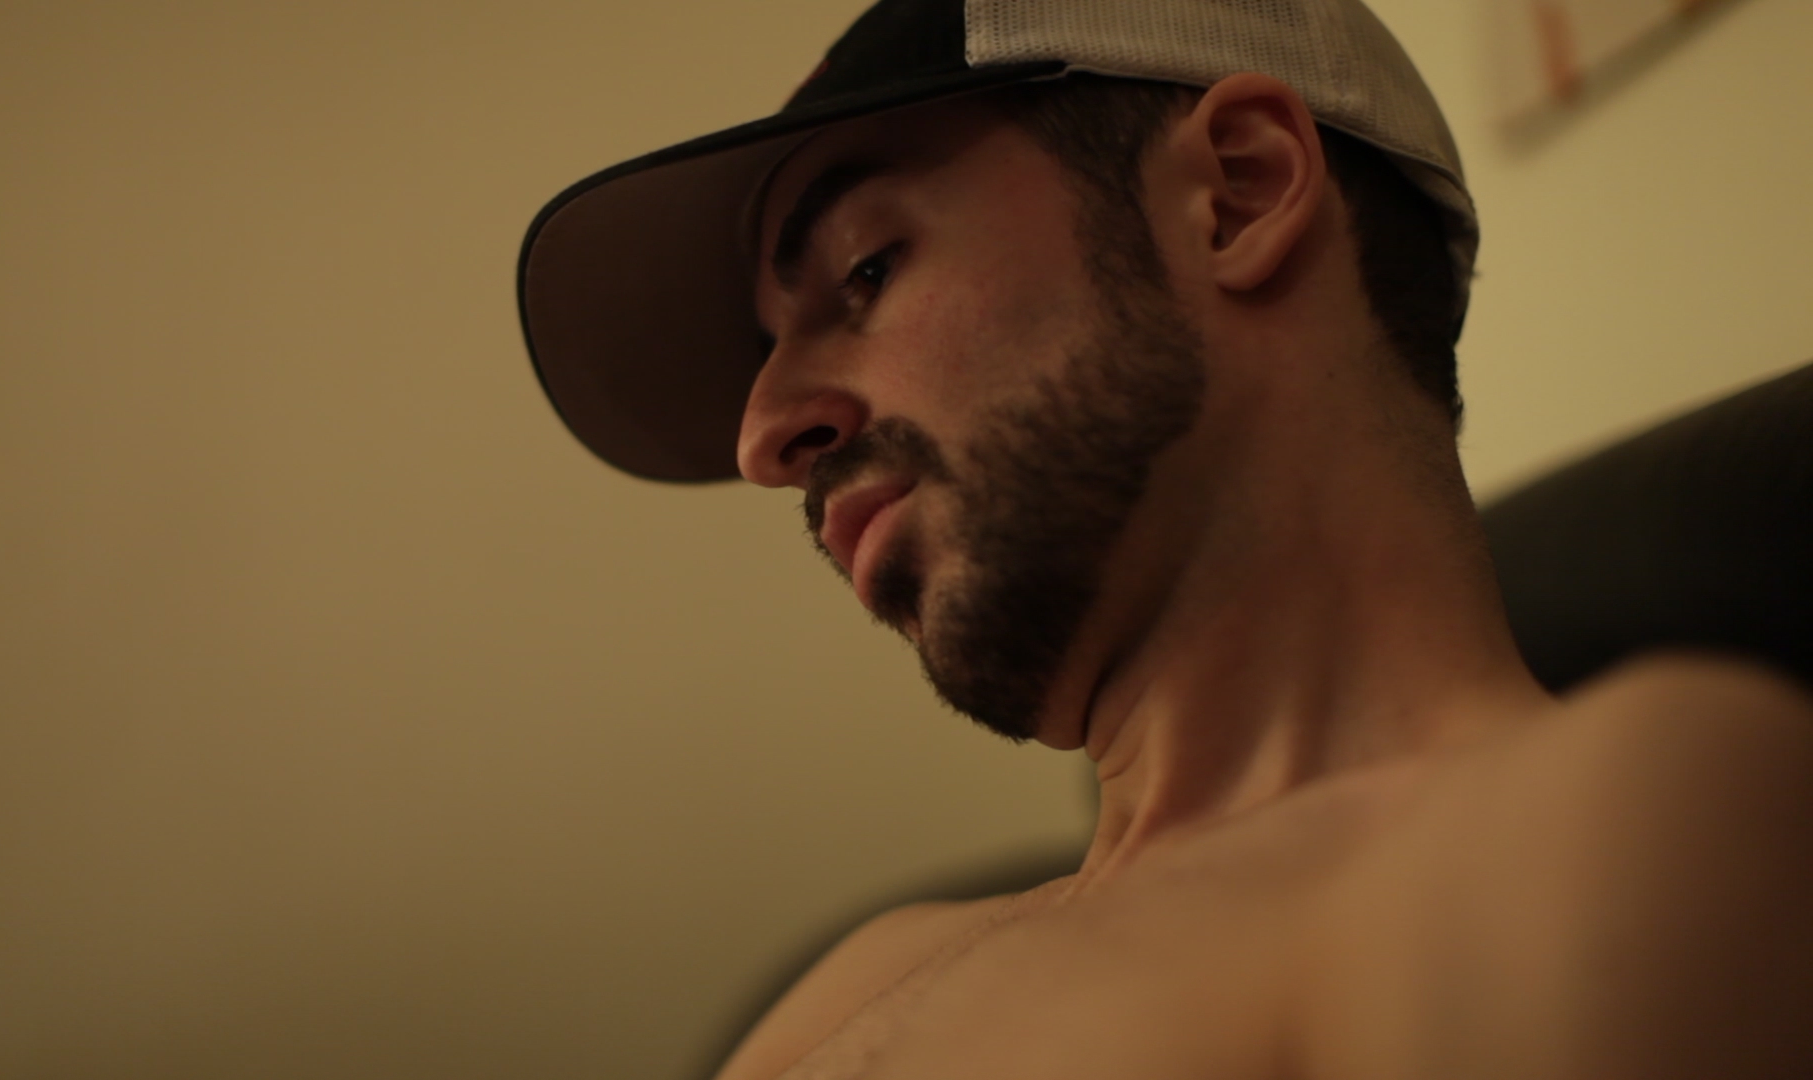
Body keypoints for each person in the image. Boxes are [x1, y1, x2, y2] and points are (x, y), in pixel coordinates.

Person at [518, 0, 1813, 1076]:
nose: (762, 437)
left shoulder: (1610, 826)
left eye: (866, 270)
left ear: (1237, 193)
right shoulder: (867, 966)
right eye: (771, 343)